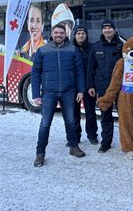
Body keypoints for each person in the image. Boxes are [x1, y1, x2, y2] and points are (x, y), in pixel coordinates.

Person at [32, 23, 86, 167]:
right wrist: (36, 94)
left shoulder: (73, 49)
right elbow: (35, 73)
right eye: (56, 33)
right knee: (45, 123)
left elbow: (80, 71)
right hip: (49, 93)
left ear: (65, 34)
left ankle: (73, 147)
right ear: (52, 33)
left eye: (61, 33)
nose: (58, 35)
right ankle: (40, 153)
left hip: (69, 92)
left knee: (70, 120)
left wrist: (80, 90)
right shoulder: (42, 50)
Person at [87, 19, 124, 154]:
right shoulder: (96, 47)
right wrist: (90, 85)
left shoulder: (121, 46)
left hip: (120, 88)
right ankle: (105, 143)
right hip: (102, 87)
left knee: (123, 116)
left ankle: (126, 142)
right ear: (102, 30)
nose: (107, 30)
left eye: (110, 28)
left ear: (114, 29)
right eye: (105, 28)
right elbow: (91, 68)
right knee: (105, 116)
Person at [72, 26, 98, 145]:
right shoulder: (70, 49)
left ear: (86, 35)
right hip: (73, 86)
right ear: (75, 35)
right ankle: (75, 137)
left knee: (90, 112)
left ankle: (92, 136)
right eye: (79, 33)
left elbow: (94, 68)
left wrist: (91, 84)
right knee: (74, 113)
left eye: (83, 33)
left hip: (88, 86)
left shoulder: (92, 48)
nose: (81, 35)